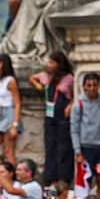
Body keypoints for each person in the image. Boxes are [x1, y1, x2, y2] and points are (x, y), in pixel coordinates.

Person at [29, 51, 75, 185]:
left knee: (63, 147)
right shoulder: (46, 76)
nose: (49, 65)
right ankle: (51, 178)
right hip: (50, 115)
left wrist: (70, 106)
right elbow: (32, 78)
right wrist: (40, 87)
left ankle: (64, 178)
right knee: (50, 146)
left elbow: (74, 94)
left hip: (62, 114)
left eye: (52, 63)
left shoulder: (68, 78)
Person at [70, 72, 100, 199]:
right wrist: (77, 151)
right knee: (85, 182)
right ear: (84, 87)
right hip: (85, 148)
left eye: (94, 85)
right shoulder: (79, 105)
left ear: (99, 85)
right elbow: (74, 129)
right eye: (89, 85)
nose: (92, 88)